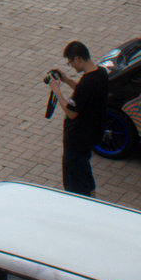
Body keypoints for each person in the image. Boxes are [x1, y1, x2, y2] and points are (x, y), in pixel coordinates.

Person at [48, 41, 107, 198]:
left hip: (77, 139)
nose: (72, 66)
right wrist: (67, 80)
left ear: (78, 59)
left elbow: (71, 112)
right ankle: (93, 197)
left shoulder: (88, 82)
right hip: (90, 136)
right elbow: (83, 93)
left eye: (71, 62)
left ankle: (81, 204)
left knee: (74, 180)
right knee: (85, 172)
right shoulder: (100, 74)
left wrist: (57, 90)